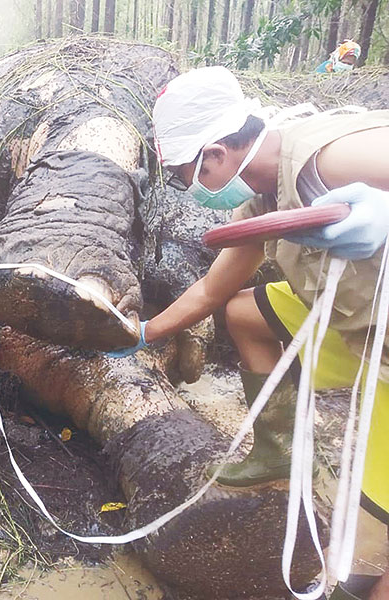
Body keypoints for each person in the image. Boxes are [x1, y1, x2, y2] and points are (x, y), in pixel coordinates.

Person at [111, 66, 389, 600]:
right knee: (243, 312)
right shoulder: (265, 198)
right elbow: (211, 294)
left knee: (373, 526)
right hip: (354, 320)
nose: (189, 189)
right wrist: (142, 332)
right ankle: (276, 449)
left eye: (185, 175)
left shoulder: (325, 161)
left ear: (214, 154)